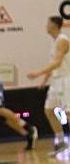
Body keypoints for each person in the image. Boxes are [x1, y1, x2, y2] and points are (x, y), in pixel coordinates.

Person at [27, 15, 70, 152]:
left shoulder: (63, 40)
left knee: (69, 113)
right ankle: (61, 141)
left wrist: (37, 73)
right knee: (49, 110)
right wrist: (44, 80)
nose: (46, 25)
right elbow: (52, 64)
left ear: (54, 25)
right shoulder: (54, 41)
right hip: (56, 81)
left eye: (48, 23)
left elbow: (57, 63)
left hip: (65, 80)